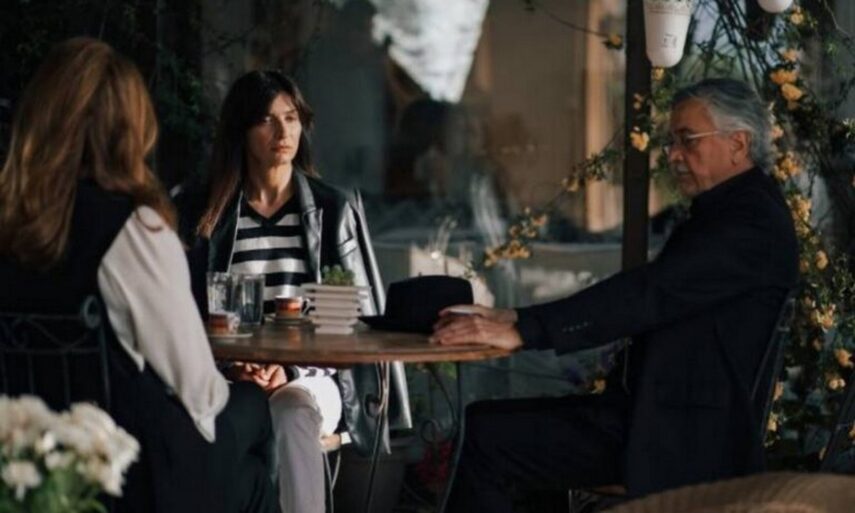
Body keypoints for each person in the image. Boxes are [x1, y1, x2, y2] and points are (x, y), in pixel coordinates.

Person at [432, 78, 799, 511]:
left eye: (687, 140)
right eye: (671, 142)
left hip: (681, 440)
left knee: (488, 437)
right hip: (664, 420)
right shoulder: (738, 211)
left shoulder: (750, 222)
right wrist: (513, 319)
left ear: (738, 143)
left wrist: (526, 330)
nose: (673, 155)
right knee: (494, 429)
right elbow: (655, 292)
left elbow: (649, 293)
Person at [0, 38, 278, 513]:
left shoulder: (9, 226)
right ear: (130, 130)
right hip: (131, 480)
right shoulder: (132, 230)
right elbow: (199, 391)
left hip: (29, 468)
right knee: (253, 420)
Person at [176, 70, 394, 513]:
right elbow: (182, 316)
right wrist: (235, 367)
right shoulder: (204, 212)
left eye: (291, 118)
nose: (283, 132)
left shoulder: (331, 210)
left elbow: (348, 327)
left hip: (312, 378)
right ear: (241, 130)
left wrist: (288, 370)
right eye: (266, 120)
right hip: (225, 377)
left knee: (292, 411)